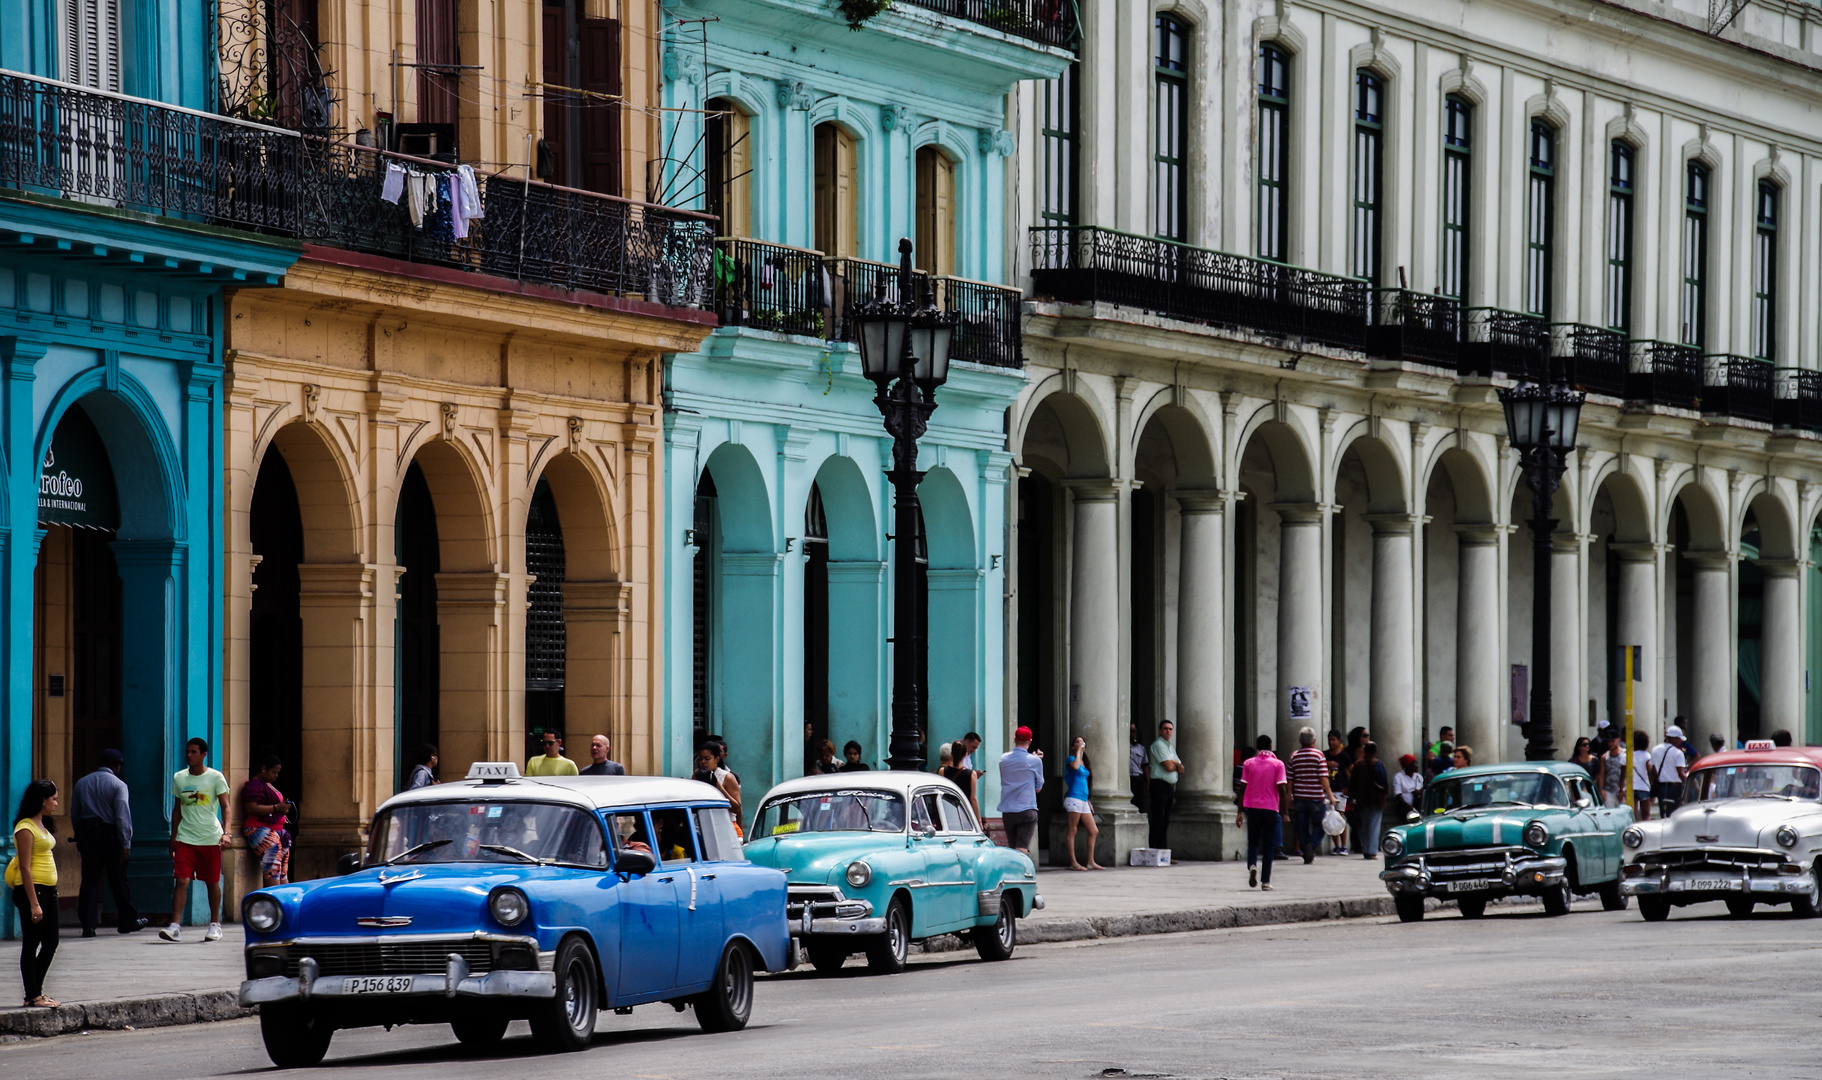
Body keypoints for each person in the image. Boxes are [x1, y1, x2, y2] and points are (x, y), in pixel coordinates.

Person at [160, 737, 231, 943]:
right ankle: (175, 926)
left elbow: (226, 806)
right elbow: (177, 809)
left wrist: (227, 833)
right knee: (181, 880)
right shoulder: (179, 778)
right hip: (186, 838)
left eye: (193, 752)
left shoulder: (216, 777)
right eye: (187, 751)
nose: (189, 755)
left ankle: (215, 924)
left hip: (210, 837)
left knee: (211, 882)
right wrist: (173, 838)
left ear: (203, 754)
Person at [70, 748, 146, 936]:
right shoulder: (118, 785)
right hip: (110, 836)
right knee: (118, 880)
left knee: (89, 879)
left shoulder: (82, 783)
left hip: (88, 835)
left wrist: (80, 835)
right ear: (116, 765)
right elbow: (122, 817)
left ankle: (88, 925)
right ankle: (127, 921)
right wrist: (125, 843)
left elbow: (75, 813)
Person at [7, 779, 62, 1007]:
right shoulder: (25, 827)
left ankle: (35, 992)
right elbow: (25, 867)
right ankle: (32, 994)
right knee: (32, 943)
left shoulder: (42, 824)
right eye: (54, 798)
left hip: (49, 891)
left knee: (51, 941)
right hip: (33, 892)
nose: (56, 803)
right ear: (42, 800)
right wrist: (33, 903)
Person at [1235, 735, 1287, 890]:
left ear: (1257, 747)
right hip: (1271, 808)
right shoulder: (1278, 764)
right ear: (1271, 746)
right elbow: (1282, 789)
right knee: (1269, 846)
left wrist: (1239, 811)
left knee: (1253, 842)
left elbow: (1242, 788)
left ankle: (1252, 865)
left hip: (1252, 808)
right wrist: (1285, 812)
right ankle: (1265, 881)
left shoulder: (1248, 763)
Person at [240, 754, 295, 888]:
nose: (276, 776)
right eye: (274, 772)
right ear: (264, 768)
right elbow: (251, 807)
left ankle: (283, 903)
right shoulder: (254, 786)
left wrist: (282, 809)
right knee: (273, 869)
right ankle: (273, 903)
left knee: (282, 872)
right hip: (260, 829)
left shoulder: (267, 785)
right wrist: (277, 807)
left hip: (277, 831)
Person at [1286, 727, 1333, 865]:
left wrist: (1290, 795)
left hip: (1300, 796)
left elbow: (1290, 778)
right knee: (1321, 824)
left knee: (1302, 825)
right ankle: (1312, 845)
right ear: (1315, 740)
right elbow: (1323, 777)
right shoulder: (1319, 755)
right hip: (1316, 797)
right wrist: (1330, 795)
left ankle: (1305, 847)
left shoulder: (1294, 756)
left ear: (1300, 740)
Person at [997, 726, 1044, 855]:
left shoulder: (1003, 759)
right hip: (1026, 808)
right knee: (1022, 847)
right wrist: (1036, 759)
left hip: (1008, 810)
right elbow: (1038, 788)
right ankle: (1022, 873)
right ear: (1030, 741)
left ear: (1014, 739)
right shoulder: (1035, 761)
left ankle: (1014, 873)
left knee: (1013, 848)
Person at [1062, 736, 1102, 871]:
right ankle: (1074, 862)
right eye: (1076, 742)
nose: (1080, 743)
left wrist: (1088, 801)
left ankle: (1090, 861)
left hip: (1083, 800)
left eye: (1081, 742)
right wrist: (1078, 752)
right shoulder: (1072, 759)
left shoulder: (1085, 763)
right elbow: (1074, 767)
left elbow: (1085, 782)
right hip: (1073, 798)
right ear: (1073, 747)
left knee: (1093, 830)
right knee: (1072, 830)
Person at [1349, 742, 1389, 858]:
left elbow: (1352, 783)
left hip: (1362, 799)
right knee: (1374, 825)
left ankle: (1366, 849)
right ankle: (1371, 851)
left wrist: (1351, 798)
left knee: (1365, 825)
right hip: (1376, 799)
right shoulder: (1378, 764)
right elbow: (1383, 782)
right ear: (1375, 751)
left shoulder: (1358, 764)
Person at [1147, 720, 1182, 850]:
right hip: (1159, 785)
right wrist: (1175, 764)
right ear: (1160, 730)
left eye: (1170, 729)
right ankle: (1154, 849)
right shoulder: (1158, 745)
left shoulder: (1170, 747)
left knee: (1165, 820)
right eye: (1165, 728)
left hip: (1169, 787)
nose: (1168, 731)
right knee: (1158, 819)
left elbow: (1182, 768)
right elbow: (1168, 766)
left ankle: (1163, 851)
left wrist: (1175, 764)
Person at [1649, 726, 1690, 816]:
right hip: (1674, 788)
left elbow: (1653, 771)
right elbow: (1680, 773)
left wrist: (1653, 785)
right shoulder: (1677, 753)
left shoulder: (1655, 750)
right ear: (1674, 739)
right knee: (1674, 814)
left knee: (1663, 813)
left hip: (1661, 787)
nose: (1681, 742)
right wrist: (1689, 785)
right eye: (1679, 739)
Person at [1325, 731, 1351, 855]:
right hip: (1328, 789)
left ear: (1339, 741)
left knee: (1340, 817)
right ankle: (1336, 845)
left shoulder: (1344, 756)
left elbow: (1352, 770)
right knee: (1331, 816)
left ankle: (1344, 845)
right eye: (1330, 739)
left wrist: (1349, 786)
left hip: (1340, 789)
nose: (1331, 742)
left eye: (1334, 739)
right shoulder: (1324, 755)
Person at [1598, 730, 1626, 808]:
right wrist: (1601, 789)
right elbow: (1602, 773)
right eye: (1608, 741)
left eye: (1612, 741)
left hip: (1623, 790)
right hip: (1608, 791)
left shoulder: (1625, 754)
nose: (1610, 743)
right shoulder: (1604, 757)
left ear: (1618, 740)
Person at [1392, 753, 1424, 818]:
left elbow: (1423, 791)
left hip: (1418, 806)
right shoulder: (1398, 777)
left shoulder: (1419, 777)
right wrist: (1411, 808)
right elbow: (1398, 795)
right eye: (1415, 763)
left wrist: (1419, 792)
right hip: (1405, 807)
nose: (1417, 766)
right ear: (1408, 765)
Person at [1631, 731, 1654, 819]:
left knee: (1633, 813)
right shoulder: (1647, 756)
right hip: (1644, 787)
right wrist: (1652, 789)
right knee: (1646, 814)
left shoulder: (1627, 756)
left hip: (1631, 787)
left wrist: (1621, 788)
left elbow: (1622, 774)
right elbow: (1650, 773)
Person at [1129, 723, 1149, 815]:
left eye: (1134, 731)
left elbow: (1145, 766)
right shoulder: (1120, 746)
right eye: (1130, 731)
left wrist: (1148, 783)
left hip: (1138, 778)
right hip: (1127, 779)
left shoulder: (1141, 748)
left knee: (1140, 806)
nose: (1132, 733)